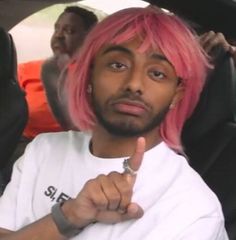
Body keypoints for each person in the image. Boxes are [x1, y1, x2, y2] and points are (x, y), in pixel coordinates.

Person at [0, 6, 228, 239]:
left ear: (176, 94)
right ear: (89, 77)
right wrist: (68, 217)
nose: (134, 84)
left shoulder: (193, 210)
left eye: (157, 73)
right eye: (118, 65)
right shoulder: (43, 150)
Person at [18, 6, 98, 140]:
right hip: (24, 143)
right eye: (57, 28)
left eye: (69, 30)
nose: (59, 35)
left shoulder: (99, 77)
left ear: (89, 38)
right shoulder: (27, 70)